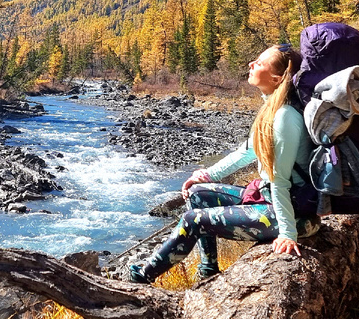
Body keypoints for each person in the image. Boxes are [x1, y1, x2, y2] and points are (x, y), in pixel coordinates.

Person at [127, 44, 319, 284]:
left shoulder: (284, 118)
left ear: (276, 78)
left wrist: (288, 233)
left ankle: (142, 279)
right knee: (197, 193)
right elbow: (246, 152)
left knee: (193, 220)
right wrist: (207, 175)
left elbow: (280, 180)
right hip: (271, 200)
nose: (251, 64)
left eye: (259, 63)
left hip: (291, 215)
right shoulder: (273, 108)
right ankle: (208, 270)